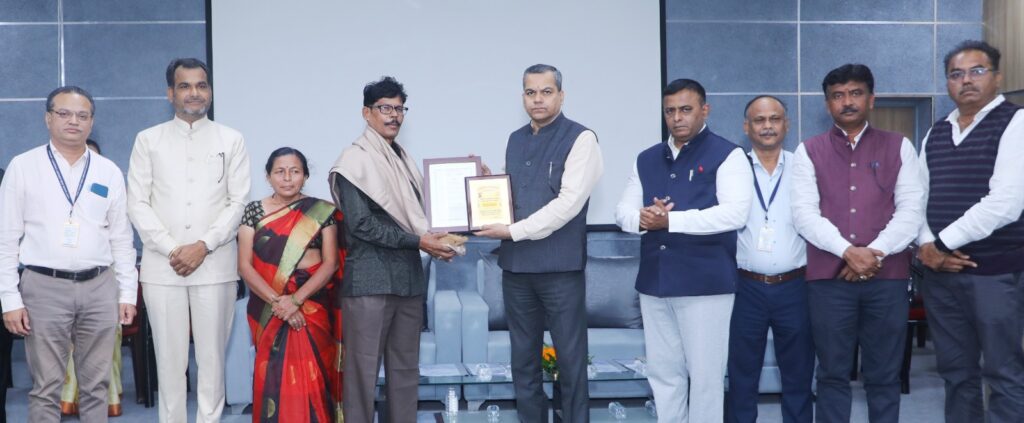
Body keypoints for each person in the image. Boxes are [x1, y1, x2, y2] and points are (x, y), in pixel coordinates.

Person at [791, 64, 923, 423]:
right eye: (837, 95)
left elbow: (911, 211)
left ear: (871, 98)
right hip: (829, 282)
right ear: (827, 103)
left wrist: (873, 253)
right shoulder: (808, 151)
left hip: (887, 279)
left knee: (883, 375)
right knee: (832, 373)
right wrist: (848, 252)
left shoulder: (900, 147)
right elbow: (805, 215)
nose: (846, 102)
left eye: (855, 93)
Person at [615, 78, 751, 422]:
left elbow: (736, 213)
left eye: (686, 110)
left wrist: (671, 222)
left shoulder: (728, 154)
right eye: (670, 111)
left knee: (705, 378)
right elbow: (622, 213)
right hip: (654, 283)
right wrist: (643, 218)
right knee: (663, 374)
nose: (677, 118)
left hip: (706, 285)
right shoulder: (646, 158)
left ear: (704, 110)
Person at [0, 86, 138, 422]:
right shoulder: (23, 166)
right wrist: (9, 299)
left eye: (82, 115)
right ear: (48, 118)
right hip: (43, 287)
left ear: (92, 123)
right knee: (46, 387)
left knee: (97, 386)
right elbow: (6, 239)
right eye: (64, 113)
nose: (73, 121)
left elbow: (122, 238)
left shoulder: (108, 171)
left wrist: (128, 293)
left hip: (100, 287)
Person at [475, 64, 603, 423]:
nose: (538, 99)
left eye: (546, 91)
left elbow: (567, 204)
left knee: (571, 362)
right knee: (524, 363)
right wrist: (490, 186)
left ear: (561, 95)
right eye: (530, 92)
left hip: (560, 269)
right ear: (523, 97)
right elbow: (515, 195)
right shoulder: (515, 139)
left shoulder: (582, 138)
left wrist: (512, 232)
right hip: (516, 267)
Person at [127, 58, 251, 423]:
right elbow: (138, 202)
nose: (195, 93)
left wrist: (203, 246)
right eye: (185, 86)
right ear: (170, 93)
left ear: (209, 91)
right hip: (162, 267)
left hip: (214, 265)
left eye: (201, 85)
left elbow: (238, 201)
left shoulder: (231, 139)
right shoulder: (148, 140)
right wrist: (171, 248)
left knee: (212, 360)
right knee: (169, 361)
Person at [329, 76, 454, 423]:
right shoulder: (353, 161)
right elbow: (361, 225)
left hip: (408, 282)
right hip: (370, 283)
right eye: (385, 108)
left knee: (404, 377)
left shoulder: (402, 159)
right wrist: (420, 242)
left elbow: (420, 215)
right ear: (366, 113)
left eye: (399, 109)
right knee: (361, 379)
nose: (394, 115)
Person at [916, 40, 1024, 423]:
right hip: (942, 277)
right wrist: (927, 245)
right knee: (957, 374)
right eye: (956, 74)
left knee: (1005, 373)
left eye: (977, 71)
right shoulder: (936, 132)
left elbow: (1005, 203)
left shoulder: (1016, 123)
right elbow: (918, 196)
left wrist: (941, 243)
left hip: (995, 275)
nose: (966, 81)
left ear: (997, 77)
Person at [239, 147, 344, 422]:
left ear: (305, 176)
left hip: (312, 302)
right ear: (268, 176)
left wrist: (295, 300)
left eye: (295, 171)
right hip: (269, 305)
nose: (287, 178)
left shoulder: (321, 212)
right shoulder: (253, 211)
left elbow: (330, 263)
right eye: (280, 171)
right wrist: (280, 303)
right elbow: (245, 266)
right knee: (272, 377)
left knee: (315, 377)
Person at [726, 96, 813, 423]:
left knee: (799, 374)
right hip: (745, 287)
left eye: (774, 119)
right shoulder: (732, 169)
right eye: (759, 120)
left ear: (786, 125)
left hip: (795, 286)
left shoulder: (804, 167)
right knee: (741, 376)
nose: (767, 126)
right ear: (746, 126)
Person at [59, 139, 127, 418]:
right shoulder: (57, 192)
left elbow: (122, 238)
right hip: (60, 276)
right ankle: (67, 396)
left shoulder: (108, 185)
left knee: (106, 340)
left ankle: (106, 397)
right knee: (64, 341)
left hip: (103, 275)